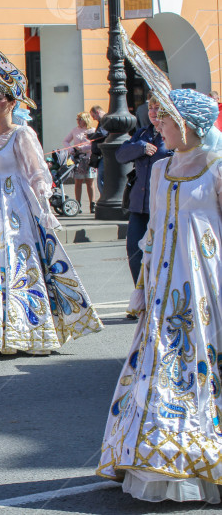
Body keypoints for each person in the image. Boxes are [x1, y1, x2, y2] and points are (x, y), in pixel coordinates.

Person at [0, 34, 102, 356]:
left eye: (1, 98)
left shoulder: (23, 134)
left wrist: (43, 201)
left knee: (16, 264)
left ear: (13, 103)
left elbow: (37, 172)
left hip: (17, 209)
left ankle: (19, 329)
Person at [97, 89, 222, 503]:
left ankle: (199, 452)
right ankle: (154, 452)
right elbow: (150, 236)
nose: (158, 125)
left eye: (165, 119)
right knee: (158, 365)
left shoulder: (217, 168)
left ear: (187, 124)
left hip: (204, 284)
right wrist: (141, 286)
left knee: (200, 363)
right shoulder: (159, 169)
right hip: (163, 289)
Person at [116, 95, 172, 288]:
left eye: (158, 108)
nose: (153, 112)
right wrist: (141, 147)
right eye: (150, 108)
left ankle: (158, 295)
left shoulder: (172, 134)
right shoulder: (142, 134)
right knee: (134, 249)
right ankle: (141, 295)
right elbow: (121, 154)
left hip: (163, 205)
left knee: (161, 252)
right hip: (139, 205)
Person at [64, 112, 97, 213]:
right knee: (78, 182)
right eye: (77, 119)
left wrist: (83, 148)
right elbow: (65, 141)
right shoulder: (75, 130)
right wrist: (71, 150)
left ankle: (92, 204)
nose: (78, 121)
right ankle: (78, 204)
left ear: (85, 119)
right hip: (78, 159)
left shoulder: (92, 130)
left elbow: (94, 144)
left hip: (89, 158)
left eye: (80, 119)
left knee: (89, 182)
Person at [89, 105, 108, 193]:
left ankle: (105, 198)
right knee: (101, 178)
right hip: (101, 154)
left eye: (93, 116)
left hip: (104, 154)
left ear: (98, 112)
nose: (93, 119)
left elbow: (102, 133)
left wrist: (91, 136)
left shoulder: (105, 119)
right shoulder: (103, 120)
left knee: (101, 178)